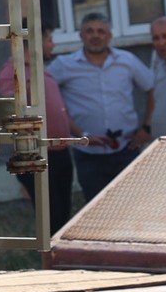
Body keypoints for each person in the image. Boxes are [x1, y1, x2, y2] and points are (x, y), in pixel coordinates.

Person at [49, 12, 154, 202]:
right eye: (89, 31)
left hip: (126, 149)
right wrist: (78, 132)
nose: (95, 36)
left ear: (109, 36)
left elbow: (151, 87)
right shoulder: (64, 65)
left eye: (101, 31)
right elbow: (46, 96)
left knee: (131, 205)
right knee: (96, 208)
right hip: (87, 153)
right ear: (81, 36)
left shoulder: (127, 60)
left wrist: (147, 127)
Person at [0, 28, 76, 226]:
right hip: (39, 155)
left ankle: (60, 256)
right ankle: (50, 257)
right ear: (35, 43)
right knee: (52, 221)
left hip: (59, 152)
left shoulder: (39, 68)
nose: (53, 44)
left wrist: (82, 134)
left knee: (62, 219)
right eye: (49, 39)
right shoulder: (14, 72)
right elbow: (10, 112)